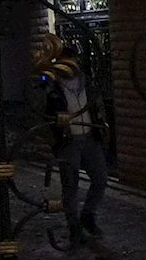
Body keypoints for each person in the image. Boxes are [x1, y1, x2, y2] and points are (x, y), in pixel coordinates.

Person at [44, 44, 109, 248]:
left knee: (100, 178)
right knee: (70, 186)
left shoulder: (86, 82)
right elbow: (43, 111)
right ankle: (74, 227)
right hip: (68, 140)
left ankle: (88, 215)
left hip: (89, 136)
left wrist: (101, 126)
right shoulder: (52, 86)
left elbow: (96, 104)